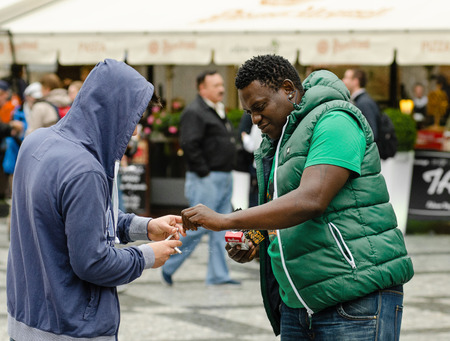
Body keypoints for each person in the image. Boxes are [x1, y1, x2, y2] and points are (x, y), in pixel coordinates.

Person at [181, 55, 414, 340]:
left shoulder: (336, 120)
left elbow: (311, 199)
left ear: (289, 90)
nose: (254, 119)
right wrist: (255, 238)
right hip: (297, 305)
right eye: (249, 113)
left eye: (260, 107)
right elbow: (281, 205)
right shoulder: (279, 139)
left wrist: (226, 220)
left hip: (354, 298)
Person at [7, 59, 185, 341]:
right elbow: (93, 262)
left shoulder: (36, 141)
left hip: (28, 319)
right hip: (70, 326)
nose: (135, 132)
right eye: (134, 120)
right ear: (113, 111)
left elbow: (75, 219)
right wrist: (147, 256)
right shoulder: (85, 169)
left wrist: (144, 227)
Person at [161, 70, 239, 286]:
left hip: (222, 176)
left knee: (221, 227)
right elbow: (189, 144)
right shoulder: (195, 111)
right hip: (207, 178)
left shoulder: (217, 109)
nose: (221, 89)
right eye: (215, 85)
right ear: (201, 88)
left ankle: (218, 275)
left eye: (221, 84)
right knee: (198, 227)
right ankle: (167, 262)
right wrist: (204, 171)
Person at [342, 68, 380, 140]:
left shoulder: (364, 103)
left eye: (346, 78)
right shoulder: (360, 101)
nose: (343, 80)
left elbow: (371, 133)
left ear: (355, 81)